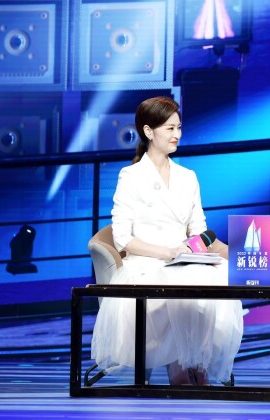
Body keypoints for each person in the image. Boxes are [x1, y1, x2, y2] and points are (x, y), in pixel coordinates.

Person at [91, 96, 243, 386]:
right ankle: (181, 364)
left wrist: (229, 252)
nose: (177, 135)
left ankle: (196, 360)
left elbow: (199, 231)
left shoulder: (188, 177)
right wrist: (168, 252)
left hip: (183, 258)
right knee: (184, 282)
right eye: (170, 128)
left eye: (179, 128)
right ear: (149, 131)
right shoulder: (131, 176)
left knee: (218, 274)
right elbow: (122, 238)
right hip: (146, 262)